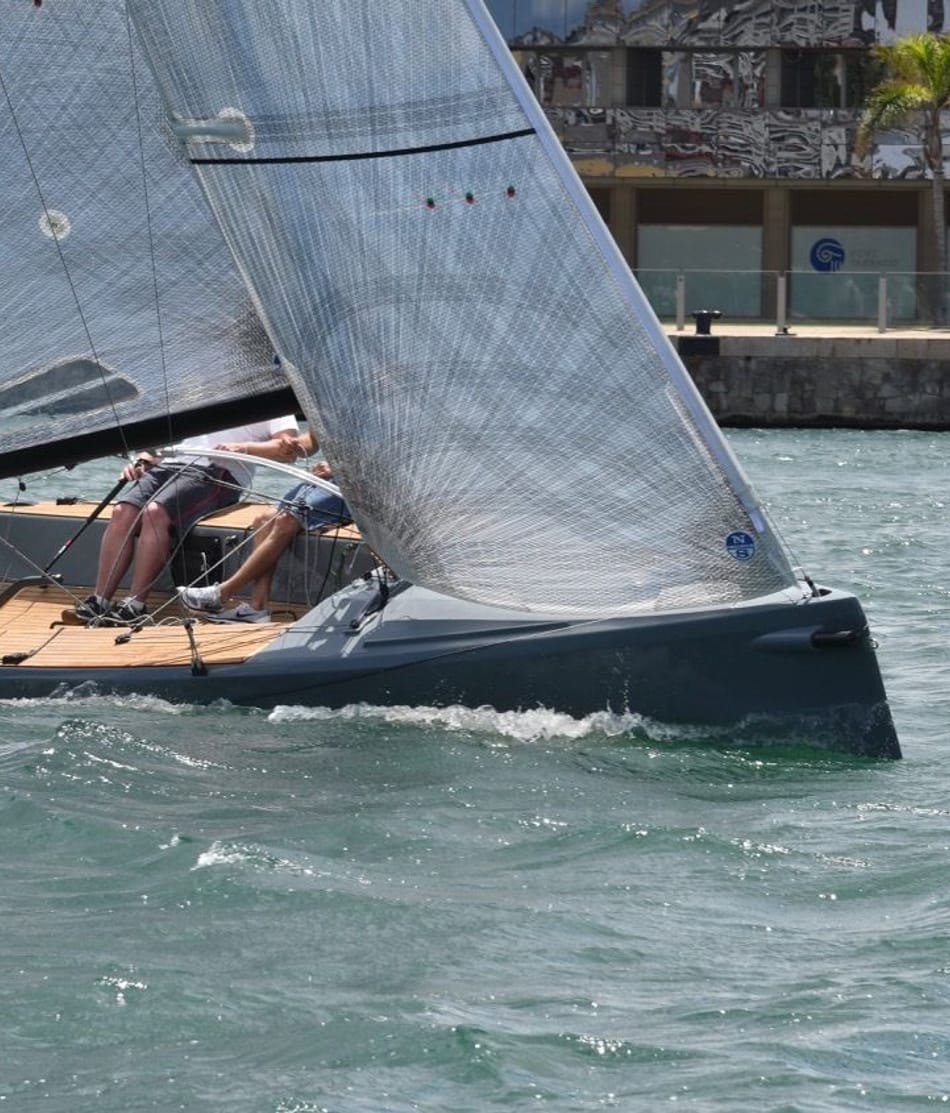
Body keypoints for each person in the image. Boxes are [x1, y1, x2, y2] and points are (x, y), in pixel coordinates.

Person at [75, 416, 299, 624]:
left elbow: (289, 449)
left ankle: (135, 606)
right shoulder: (199, 390)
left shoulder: (271, 404)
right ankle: (99, 600)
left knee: (155, 512)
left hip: (217, 472)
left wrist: (243, 448)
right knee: (122, 511)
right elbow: (169, 436)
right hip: (170, 464)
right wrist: (145, 458)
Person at [176, 432, 351, 623]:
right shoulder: (332, 407)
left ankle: (221, 593)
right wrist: (292, 444)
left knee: (287, 519)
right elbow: (312, 439)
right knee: (263, 518)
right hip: (330, 477)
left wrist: (341, 469)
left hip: (356, 485)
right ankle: (257, 609)